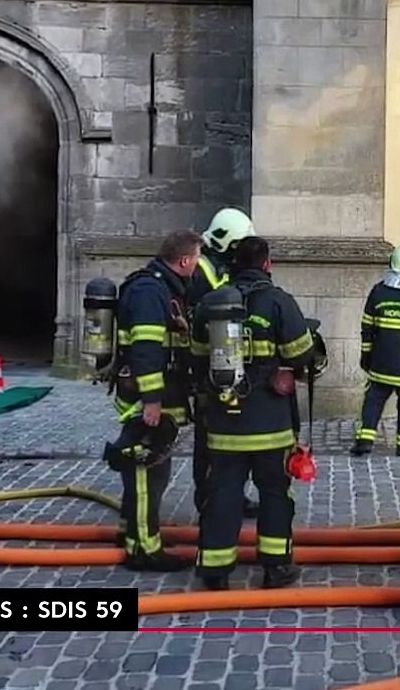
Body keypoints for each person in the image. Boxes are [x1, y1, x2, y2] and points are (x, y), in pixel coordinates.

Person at [191, 236, 317, 591]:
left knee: (223, 493)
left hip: (223, 423)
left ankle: (215, 569)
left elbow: (197, 354)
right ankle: (276, 568)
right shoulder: (278, 302)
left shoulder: (210, 304)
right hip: (271, 425)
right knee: (275, 493)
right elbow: (302, 354)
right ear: (266, 264)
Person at [105, 230, 202, 572]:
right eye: (198, 258)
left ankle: (130, 529)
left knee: (141, 469)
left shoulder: (161, 288)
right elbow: (146, 350)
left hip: (151, 395)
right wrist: (152, 401)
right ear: (186, 260)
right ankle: (144, 548)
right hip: (146, 399)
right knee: (149, 473)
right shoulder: (150, 291)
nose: (199, 265)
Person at [189, 207, 260, 520]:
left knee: (232, 435)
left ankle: (234, 495)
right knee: (209, 438)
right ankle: (207, 498)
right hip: (208, 366)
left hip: (226, 362)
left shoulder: (219, 268)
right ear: (231, 244)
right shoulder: (201, 271)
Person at [352, 242, 400, 458]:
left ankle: (364, 440)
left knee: (373, 401)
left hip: (380, 362)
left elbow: (367, 327)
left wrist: (365, 355)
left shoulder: (378, 292)